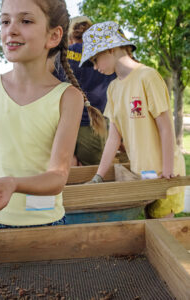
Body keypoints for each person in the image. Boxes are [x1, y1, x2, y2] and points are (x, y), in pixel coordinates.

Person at [0, 0, 106, 260]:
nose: (11, 30)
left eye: (26, 21)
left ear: (53, 36)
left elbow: (57, 176)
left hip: (46, 227)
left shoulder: (68, 97)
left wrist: (13, 183)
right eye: (5, 21)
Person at [81, 21, 185, 218]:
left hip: (164, 173)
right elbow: (113, 138)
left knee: (163, 235)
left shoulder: (148, 76)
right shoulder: (113, 88)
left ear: (110, 48)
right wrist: (98, 177)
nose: (95, 67)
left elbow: (165, 127)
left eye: (95, 60)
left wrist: (168, 172)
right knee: (149, 230)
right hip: (140, 175)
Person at [53, 16, 116, 166]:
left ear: (69, 35)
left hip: (60, 127)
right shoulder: (104, 57)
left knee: (62, 169)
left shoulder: (58, 55)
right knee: (89, 175)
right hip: (94, 127)